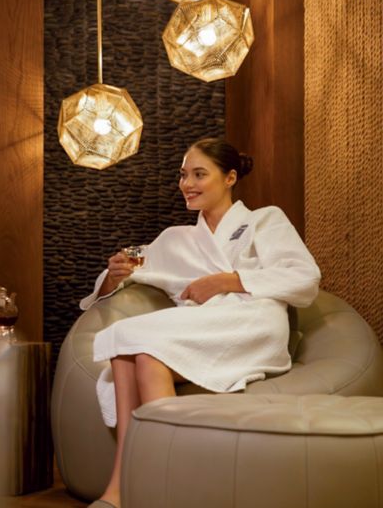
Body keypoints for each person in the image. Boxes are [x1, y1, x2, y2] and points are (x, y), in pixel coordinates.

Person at [80, 138, 321, 508]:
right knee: (133, 348)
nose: (187, 184)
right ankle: (123, 486)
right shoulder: (175, 240)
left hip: (252, 320)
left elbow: (305, 278)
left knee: (135, 341)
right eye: (183, 175)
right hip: (202, 324)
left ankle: (148, 487)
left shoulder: (264, 220)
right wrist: (114, 274)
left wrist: (227, 281)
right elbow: (123, 274)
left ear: (230, 178)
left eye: (199, 174)